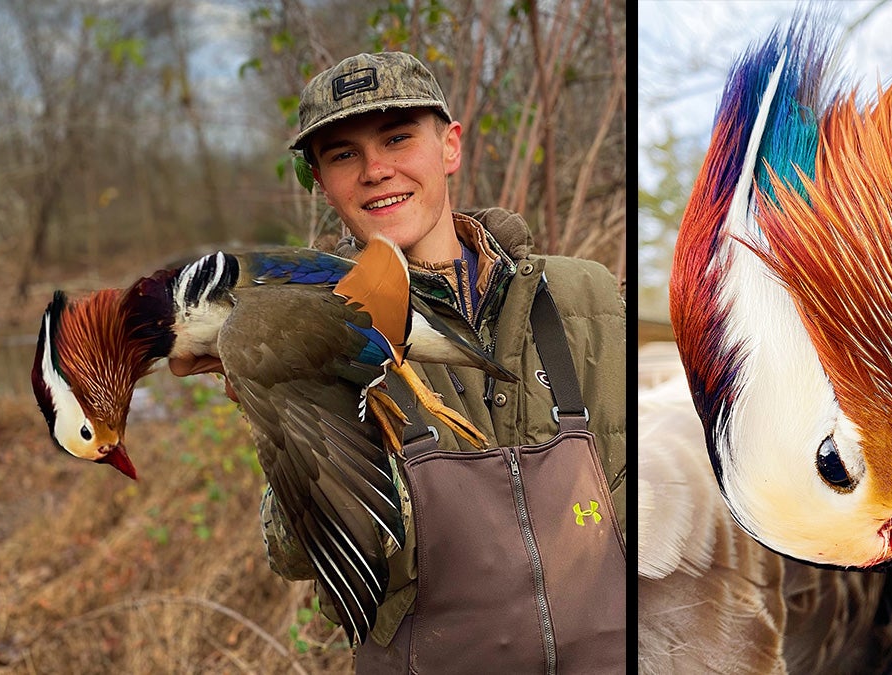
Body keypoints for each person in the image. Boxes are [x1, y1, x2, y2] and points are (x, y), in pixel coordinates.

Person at [259, 51, 626, 670]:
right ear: (321, 182)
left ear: (450, 147)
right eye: (343, 154)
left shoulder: (584, 299)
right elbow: (293, 553)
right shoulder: (311, 335)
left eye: (398, 138)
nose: (376, 170)